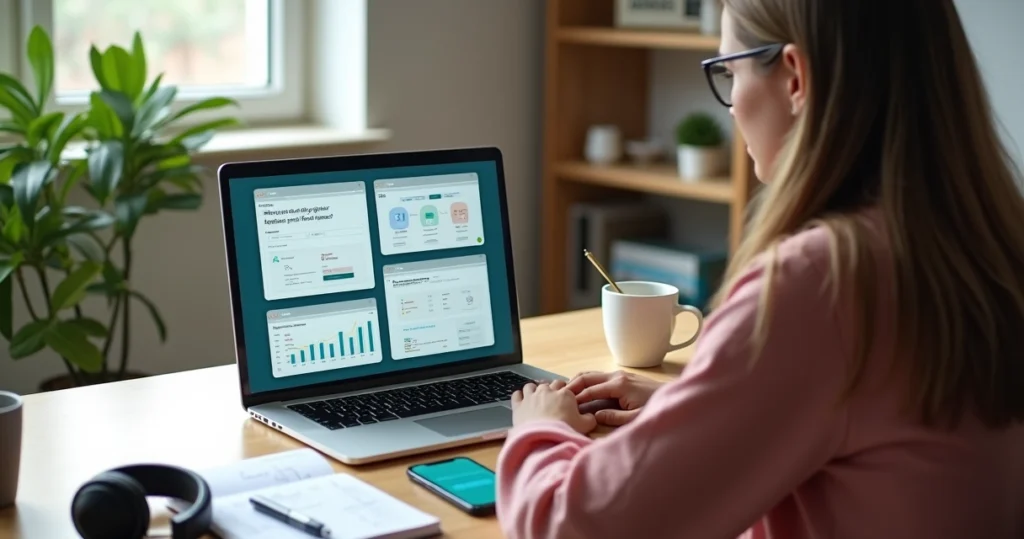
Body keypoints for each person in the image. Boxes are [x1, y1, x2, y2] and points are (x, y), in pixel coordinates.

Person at [496, 0, 1024, 537]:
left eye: (729, 72)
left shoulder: (822, 282)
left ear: (795, 79)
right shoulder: (982, 245)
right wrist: (698, 408)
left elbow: (570, 526)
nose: (730, 109)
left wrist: (541, 429)